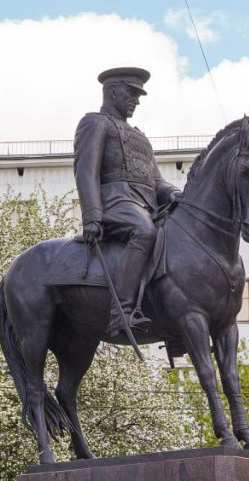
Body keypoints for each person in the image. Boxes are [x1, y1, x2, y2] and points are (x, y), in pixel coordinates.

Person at [73, 66, 182, 340]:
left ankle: (174, 323)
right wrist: (92, 216)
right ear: (112, 91)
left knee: (179, 241)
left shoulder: (141, 137)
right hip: (115, 204)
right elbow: (85, 170)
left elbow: (157, 181)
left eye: (138, 95)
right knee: (144, 231)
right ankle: (120, 313)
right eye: (131, 93)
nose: (136, 100)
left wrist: (174, 194)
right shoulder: (95, 123)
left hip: (146, 206)